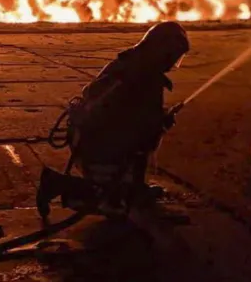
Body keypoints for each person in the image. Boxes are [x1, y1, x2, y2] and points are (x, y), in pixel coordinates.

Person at [41, 21, 190, 215]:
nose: (172, 64)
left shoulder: (129, 62)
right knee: (117, 190)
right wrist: (162, 123)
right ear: (163, 52)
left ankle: (128, 188)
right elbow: (144, 129)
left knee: (136, 150)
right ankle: (57, 185)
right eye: (173, 57)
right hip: (99, 148)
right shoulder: (144, 76)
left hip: (89, 140)